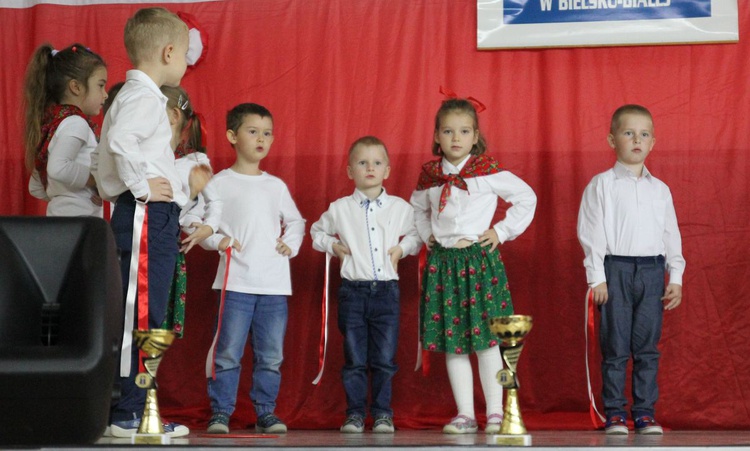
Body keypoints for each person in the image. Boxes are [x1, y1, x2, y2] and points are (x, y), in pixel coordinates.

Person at [92, 6, 191, 438]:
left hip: (152, 215)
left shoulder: (138, 98)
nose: (186, 62)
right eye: (186, 54)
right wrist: (142, 187)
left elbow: (108, 154)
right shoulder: (144, 99)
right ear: (169, 52)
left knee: (148, 312)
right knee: (142, 310)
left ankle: (136, 406)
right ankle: (130, 412)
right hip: (145, 215)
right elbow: (117, 142)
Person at [410, 98, 537, 434]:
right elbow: (417, 210)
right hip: (444, 266)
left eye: (464, 131)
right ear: (437, 136)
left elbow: (527, 197)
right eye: (448, 131)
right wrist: (428, 236)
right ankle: (465, 413)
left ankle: (496, 412)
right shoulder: (431, 176)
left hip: (479, 264)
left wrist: (501, 231)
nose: (455, 138)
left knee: (486, 342)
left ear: (475, 136)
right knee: (454, 342)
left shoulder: (487, 172)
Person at [577, 104, 685, 436]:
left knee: (647, 346)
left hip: (653, 272)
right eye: (628, 133)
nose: (636, 139)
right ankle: (614, 413)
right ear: (612, 139)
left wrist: (676, 276)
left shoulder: (660, 189)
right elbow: (591, 232)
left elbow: (671, 234)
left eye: (644, 134)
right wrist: (597, 277)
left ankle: (644, 412)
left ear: (653, 142)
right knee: (616, 346)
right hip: (616, 270)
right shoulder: (602, 185)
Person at [200, 103, 305, 435]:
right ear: (232, 136)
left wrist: (292, 242)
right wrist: (218, 241)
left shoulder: (275, 186)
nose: (262, 138)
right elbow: (198, 226)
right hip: (235, 284)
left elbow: (297, 222)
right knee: (228, 352)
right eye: (253, 131)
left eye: (268, 133)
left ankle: (266, 412)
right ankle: (221, 412)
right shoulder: (218, 183)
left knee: (271, 355)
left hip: (274, 286)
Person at [310, 136, 422, 434]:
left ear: (387, 170)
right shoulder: (339, 208)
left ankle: (383, 413)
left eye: (376, 163)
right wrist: (332, 246)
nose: (369, 168)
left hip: (386, 292)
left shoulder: (400, 208)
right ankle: (355, 413)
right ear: (350, 171)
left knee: (385, 357)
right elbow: (316, 232)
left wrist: (402, 249)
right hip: (353, 293)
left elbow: (416, 235)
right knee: (355, 357)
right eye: (362, 163)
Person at [160, 85, 222, 337]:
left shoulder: (195, 161)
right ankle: (139, 374)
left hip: (166, 247)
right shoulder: (152, 154)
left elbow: (214, 202)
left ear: (174, 116)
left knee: (157, 322)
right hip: (142, 242)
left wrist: (206, 227)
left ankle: (146, 375)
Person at [23, 43, 107, 217]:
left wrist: (63, 198)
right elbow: (58, 169)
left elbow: (36, 186)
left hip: (60, 222)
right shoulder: (76, 123)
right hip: (80, 226)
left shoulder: (52, 126)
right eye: (100, 85)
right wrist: (95, 181)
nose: (105, 94)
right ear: (75, 87)